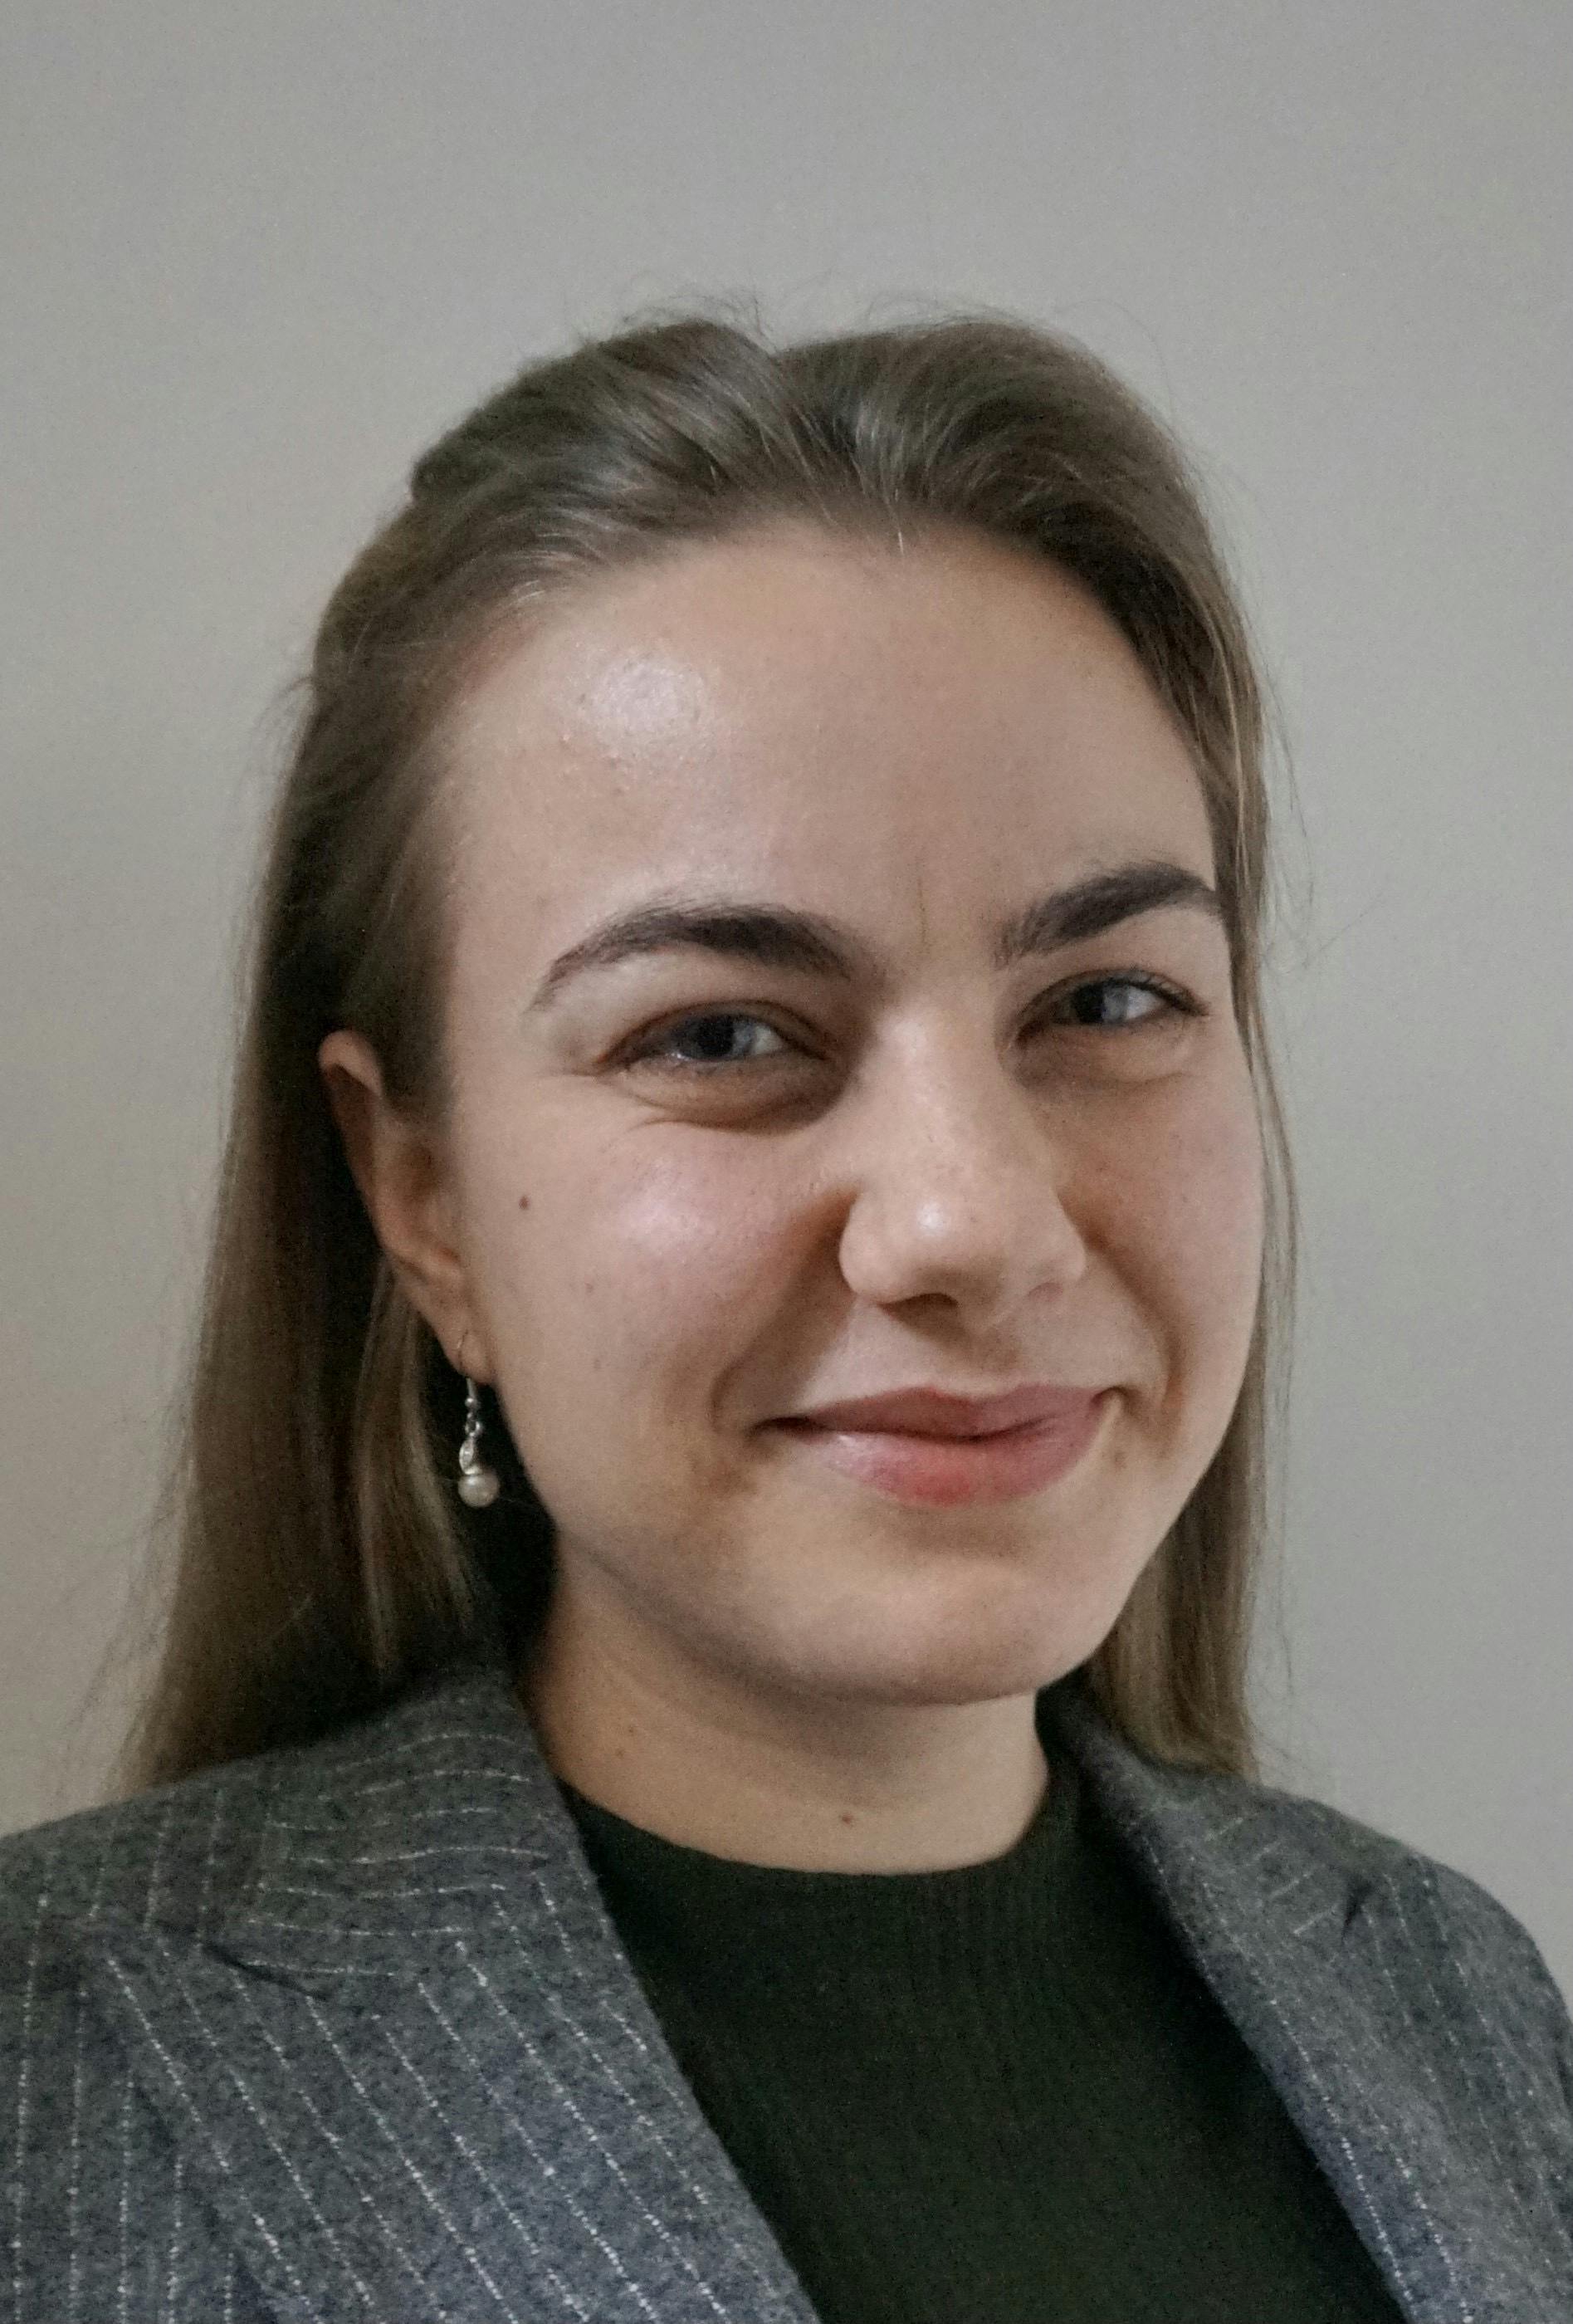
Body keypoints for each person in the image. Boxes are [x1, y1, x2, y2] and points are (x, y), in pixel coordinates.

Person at [2, 306, 1569, 2324]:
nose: (974, 1222)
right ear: (423, 1197)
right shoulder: (53, 2086)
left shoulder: (1458, 1999)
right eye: (723, 1033)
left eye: (1109, 1000)